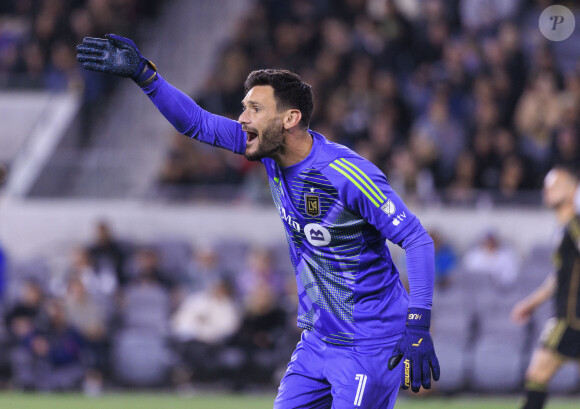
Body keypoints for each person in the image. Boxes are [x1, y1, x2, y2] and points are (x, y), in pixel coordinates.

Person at [76, 34, 439, 408]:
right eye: (244, 108)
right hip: (317, 340)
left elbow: (417, 239)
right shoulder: (268, 152)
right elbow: (196, 123)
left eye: (254, 109)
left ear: (290, 119)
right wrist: (144, 76)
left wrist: (417, 325)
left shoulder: (344, 174)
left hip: (369, 342)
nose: (242, 119)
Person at [511, 166, 580, 409]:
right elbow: (558, 278)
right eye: (546, 185)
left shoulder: (575, 226)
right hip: (570, 319)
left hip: (571, 320)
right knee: (537, 375)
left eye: (555, 185)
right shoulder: (564, 229)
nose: (547, 190)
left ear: (573, 190)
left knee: (537, 375)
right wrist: (530, 303)